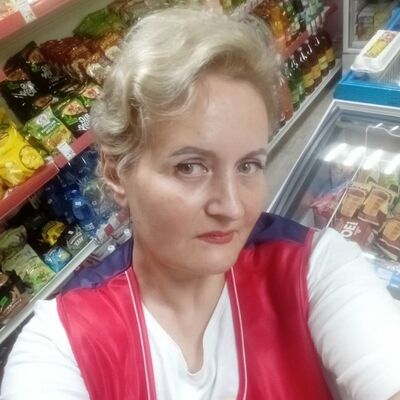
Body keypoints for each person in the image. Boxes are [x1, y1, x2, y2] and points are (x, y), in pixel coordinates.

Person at [2, 7, 400, 400]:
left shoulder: (316, 269)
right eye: (190, 167)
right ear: (116, 173)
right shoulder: (62, 344)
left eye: (248, 165)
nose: (232, 207)